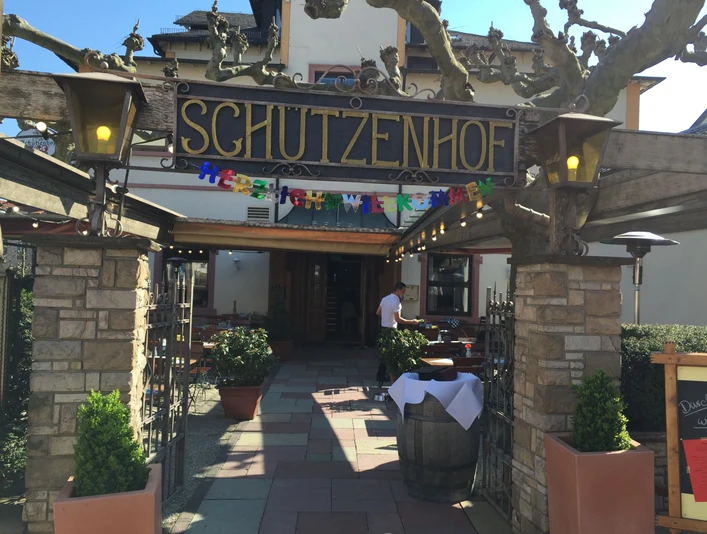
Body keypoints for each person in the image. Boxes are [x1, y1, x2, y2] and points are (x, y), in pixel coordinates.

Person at [375, 282, 419, 382]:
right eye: (403, 292)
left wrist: (387, 316)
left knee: (385, 354)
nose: (403, 294)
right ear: (398, 290)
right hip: (391, 330)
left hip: (383, 329)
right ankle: (391, 377)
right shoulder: (396, 302)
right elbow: (398, 319)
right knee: (392, 355)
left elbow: (378, 312)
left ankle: (381, 375)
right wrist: (412, 322)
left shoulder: (385, 299)